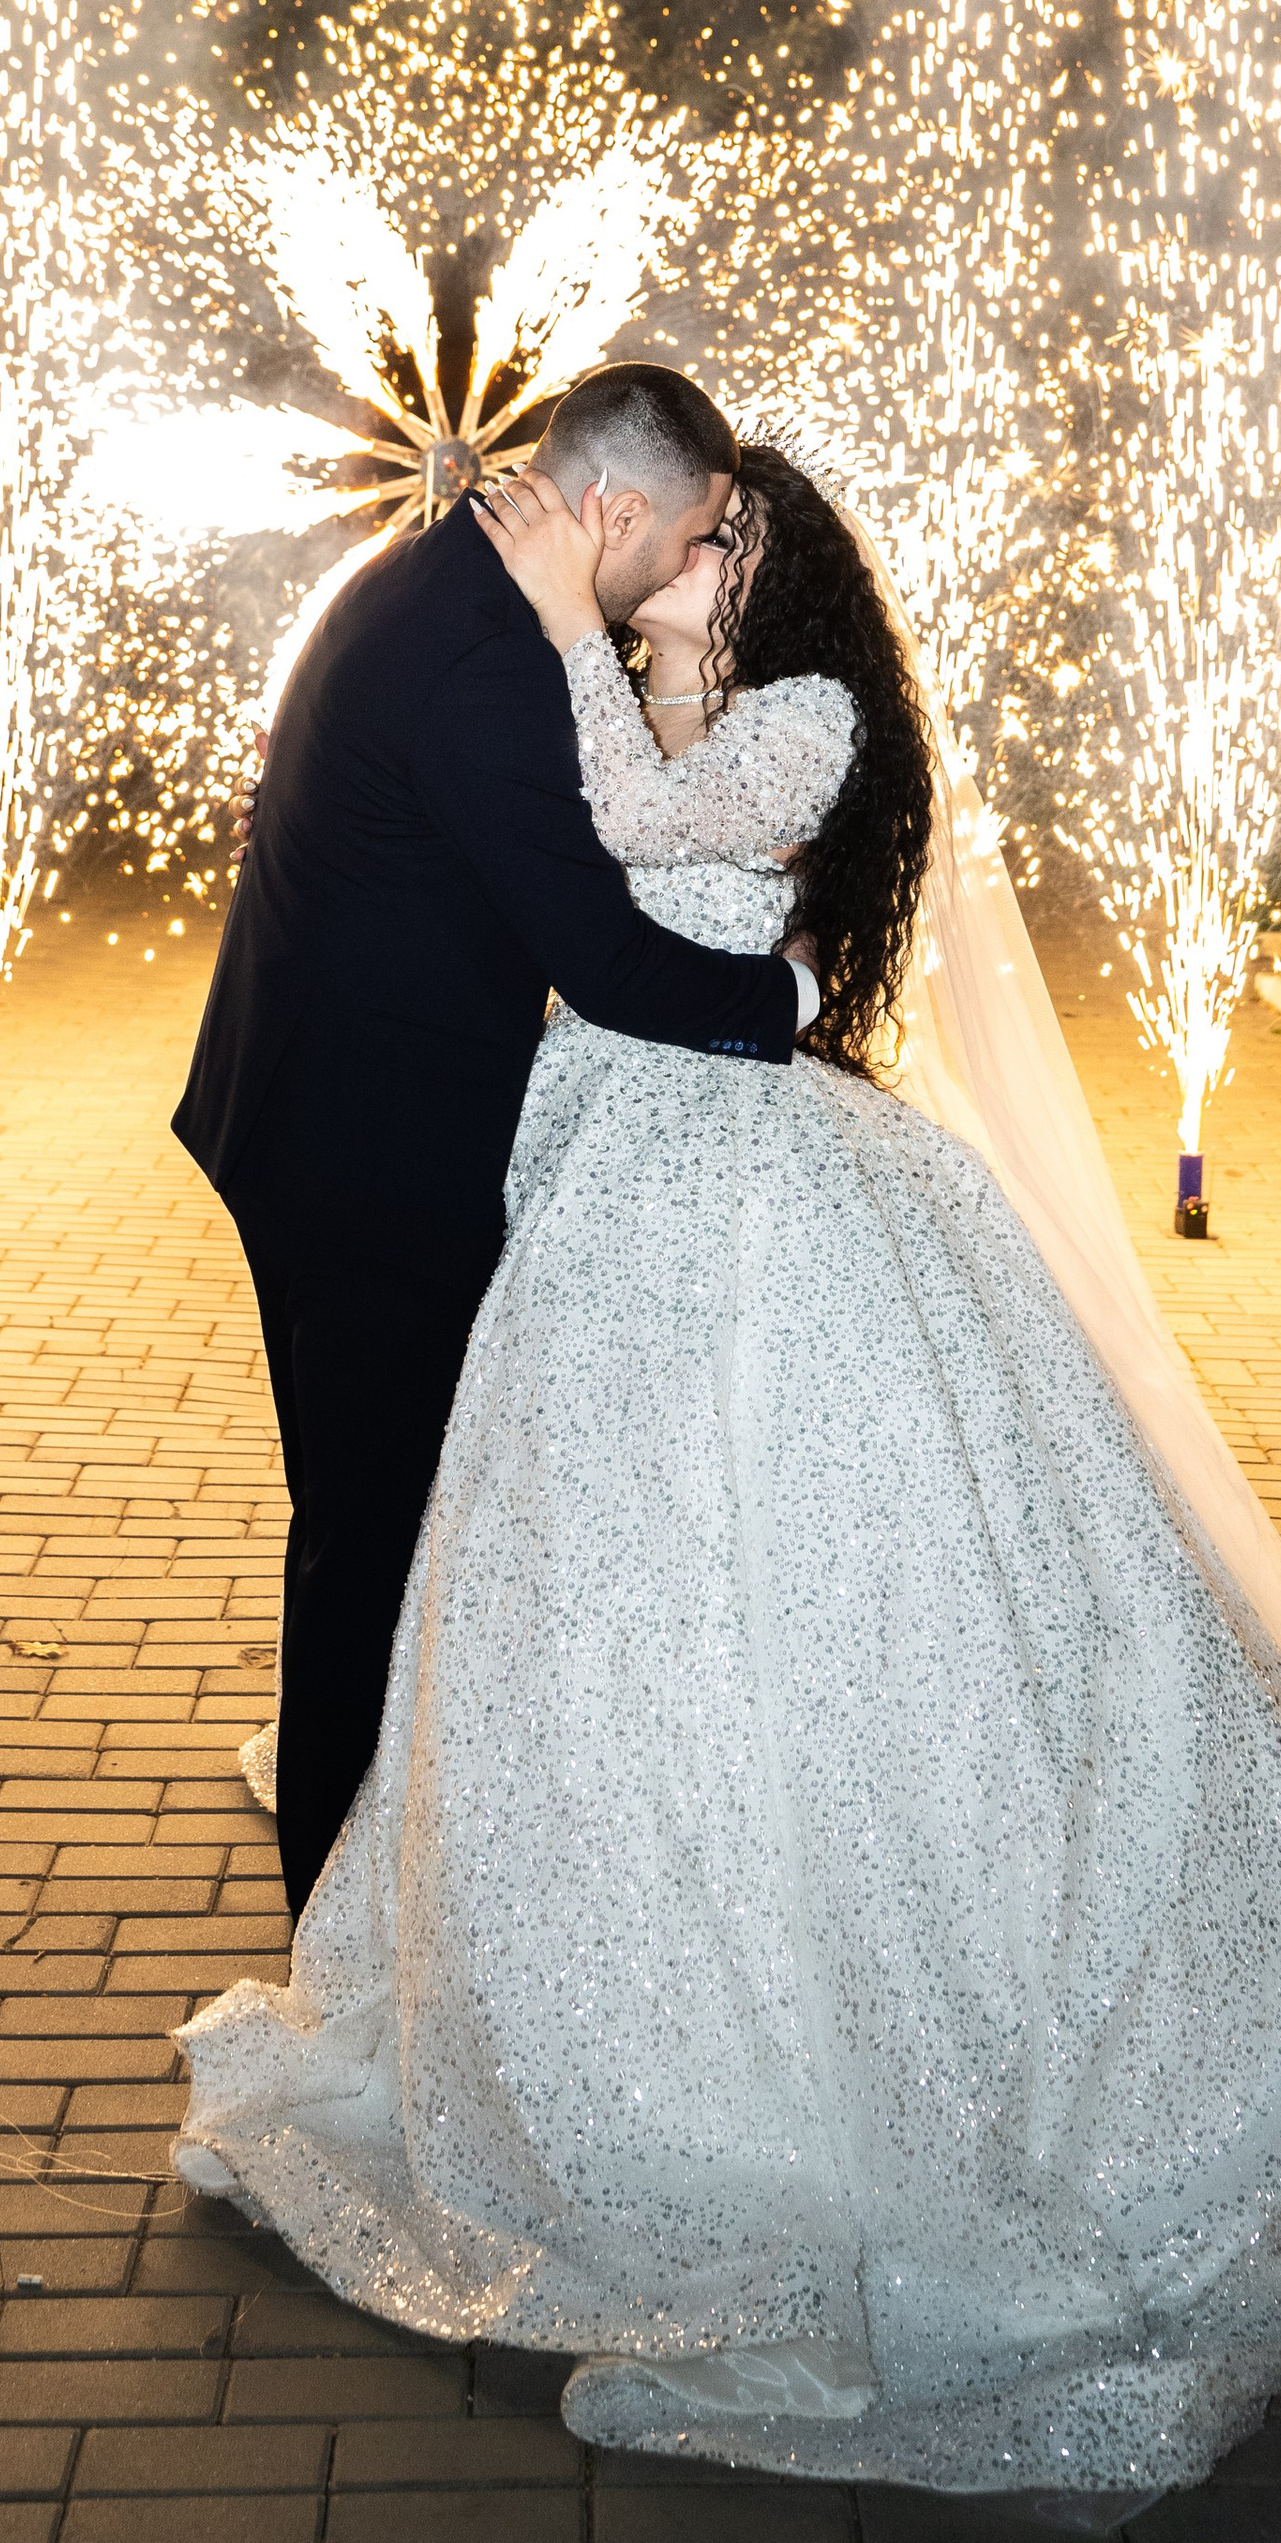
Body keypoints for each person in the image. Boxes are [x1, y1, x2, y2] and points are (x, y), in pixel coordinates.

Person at [172, 440, 1281, 2509]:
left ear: (751, 569)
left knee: (826, 1585)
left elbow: (633, 859)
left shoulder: (785, 714)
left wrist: (714, 912)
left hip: (741, 1183)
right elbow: (586, 860)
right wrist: (624, 740)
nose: (669, 560)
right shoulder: (651, 688)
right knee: (592, 1595)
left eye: (710, 541)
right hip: (623, 1177)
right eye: (681, 527)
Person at [170, 363, 822, 1917]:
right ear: (614, 509)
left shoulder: (445, 587)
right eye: (689, 538)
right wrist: (789, 997)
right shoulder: (483, 657)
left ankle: (369, 1872)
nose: (693, 569)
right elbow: (601, 958)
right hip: (370, 1157)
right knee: (366, 1538)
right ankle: (331, 1921)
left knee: (363, 1510)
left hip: (315, 1110)